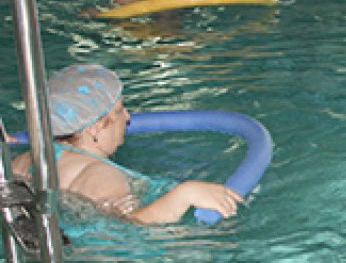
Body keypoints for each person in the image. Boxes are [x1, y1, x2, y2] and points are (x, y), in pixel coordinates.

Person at [10, 63, 242, 224]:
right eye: (119, 110)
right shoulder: (101, 174)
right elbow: (132, 226)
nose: (128, 117)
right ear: (94, 128)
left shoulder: (26, 159)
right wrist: (184, 194)